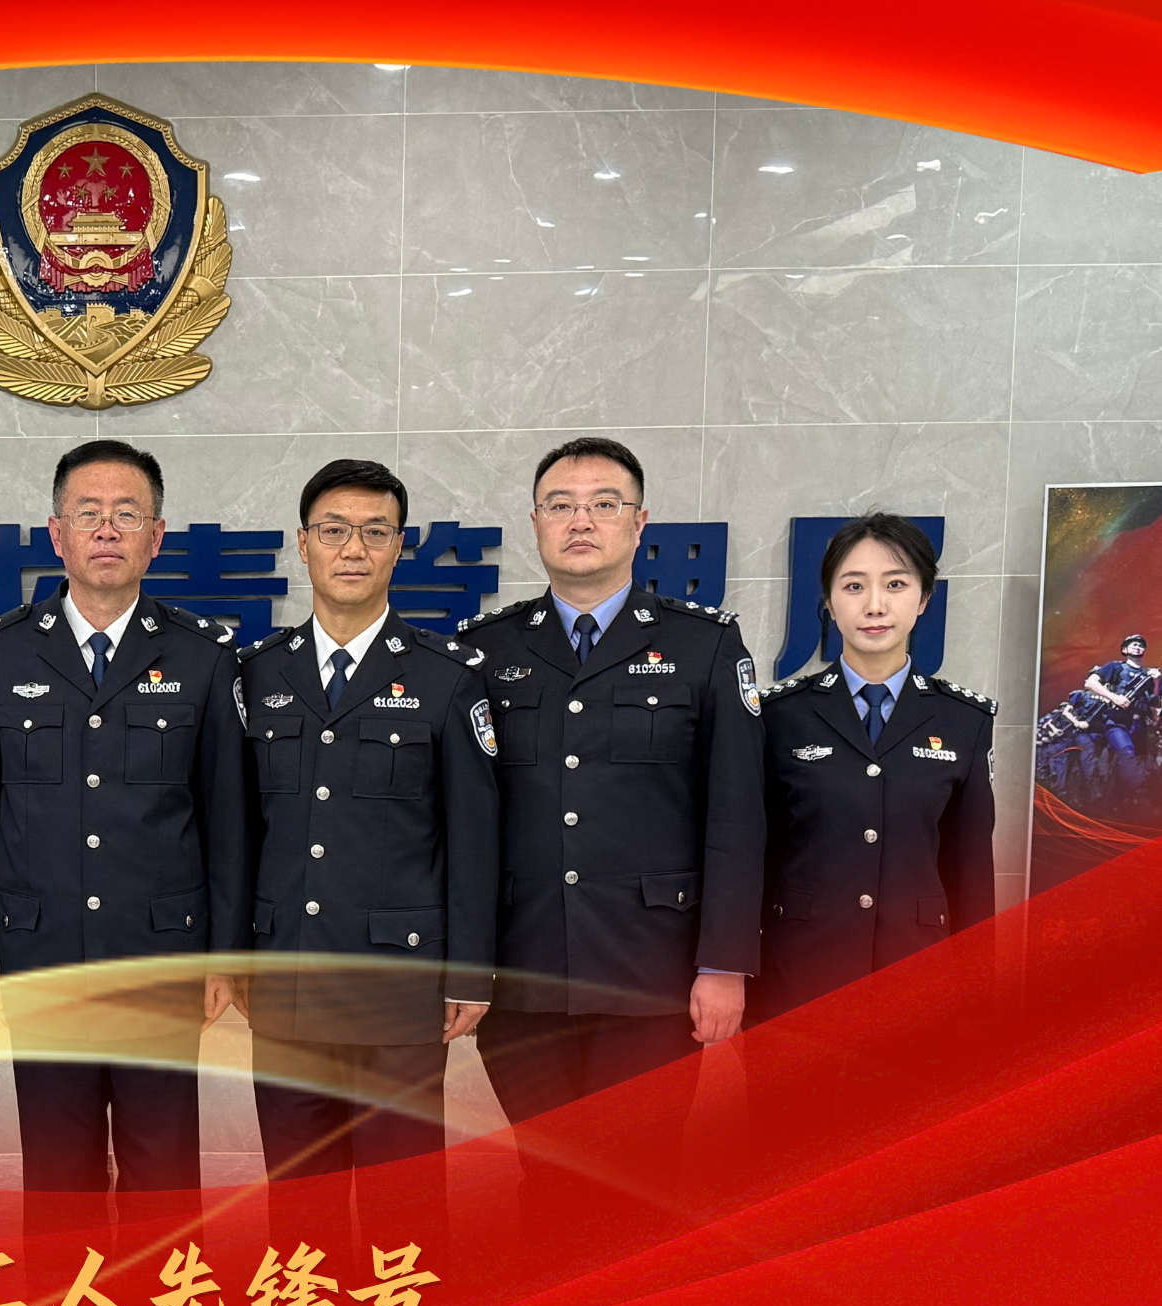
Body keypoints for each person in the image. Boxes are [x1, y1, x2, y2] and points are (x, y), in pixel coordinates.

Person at [0, 438, 249, 1232]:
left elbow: (226, 815)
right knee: (59, 1173)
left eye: (127, 514)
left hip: (161, 953)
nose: (107, 530)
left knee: (165, 1168)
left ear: (157, 537)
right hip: (39, 952)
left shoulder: (201, 655)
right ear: (56, 534)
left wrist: (222, 953)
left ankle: (163, 1302)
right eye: (88, 514)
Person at [462, 437, 764, 1174]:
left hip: (652, 974)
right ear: (535, 523)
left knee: (641, 1176)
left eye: (604, 504)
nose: (581, 521)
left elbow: (737, 814)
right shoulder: (485, 650)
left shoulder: (703, 645)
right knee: (543, 1173)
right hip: (523, 973)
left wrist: (724, 963)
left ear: (639, 522)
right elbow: (463, 822)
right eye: (560, 505)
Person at [238, 458, 498, 1233]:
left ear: (399, 547)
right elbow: (236, 830)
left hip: (398, 987)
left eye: (374, 531)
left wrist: (470, 969)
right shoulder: (256, 673)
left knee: (401, 1209)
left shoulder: (446, 677)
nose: (352, 548)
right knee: (299, 1210)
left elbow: (473, 836)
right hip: (286, 979)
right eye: (333, 530)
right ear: (302, 544)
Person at [757, 512, 995, 1015]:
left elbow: (970, 873)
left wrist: (978, 995)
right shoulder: (778, 716)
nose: (874, 605)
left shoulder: (963, 721)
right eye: (853, 586)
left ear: (924, 598)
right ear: (828, 602)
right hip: (798, 982)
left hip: (918, 987)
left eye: (895, 584)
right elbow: (754, 857)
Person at [1082, 634, 1157, 797]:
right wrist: (1114, 698)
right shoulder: (1115, 667)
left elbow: (1153, 701)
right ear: (1125, 649)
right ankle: (1142, 794)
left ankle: (1115, 798)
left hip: (1139, 725)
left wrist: (1157, 680)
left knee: (1133, 761)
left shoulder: (1148, 676)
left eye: (1141, 645)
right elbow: (1090, 683)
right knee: (1126, 753)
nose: (1137, 647)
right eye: (1133, 644)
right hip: (1118, 722)